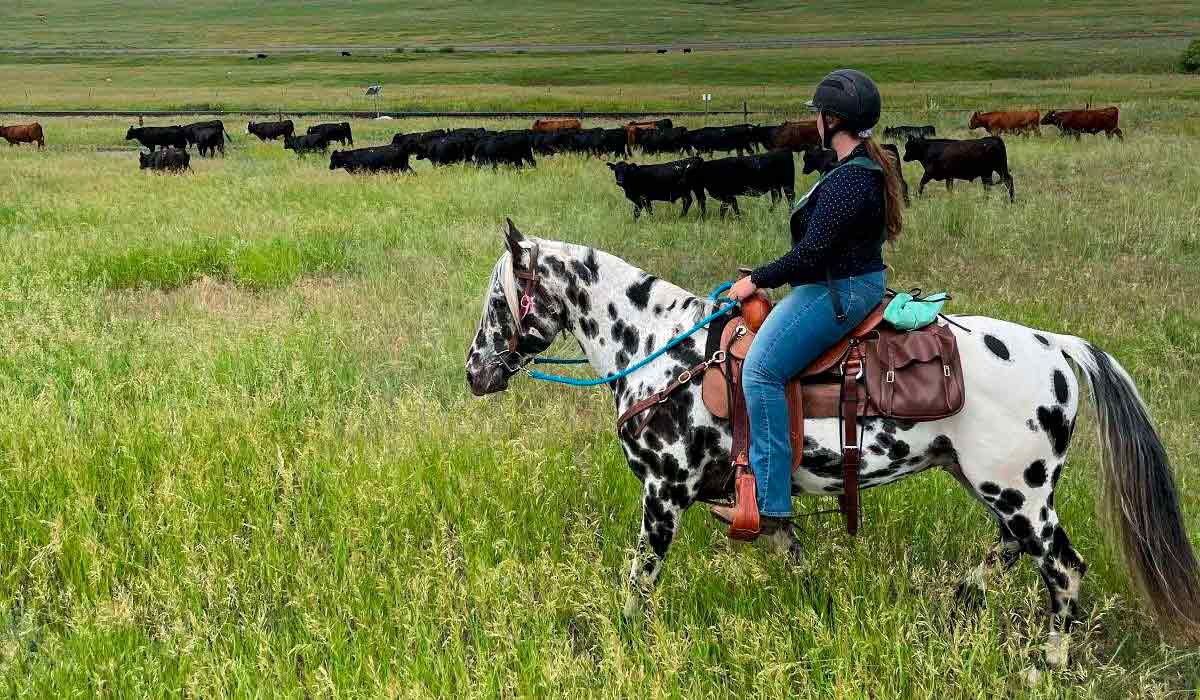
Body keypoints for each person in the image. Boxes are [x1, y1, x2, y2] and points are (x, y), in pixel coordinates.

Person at [724, 69, 905, 536]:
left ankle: (771, 507)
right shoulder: (860, 167)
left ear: (832, 119)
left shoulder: (847, 181)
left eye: (819, 115)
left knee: (761, 369)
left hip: (839, 291)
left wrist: (755, 280)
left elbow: (811, 255)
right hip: (846, 281)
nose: (816, 123)